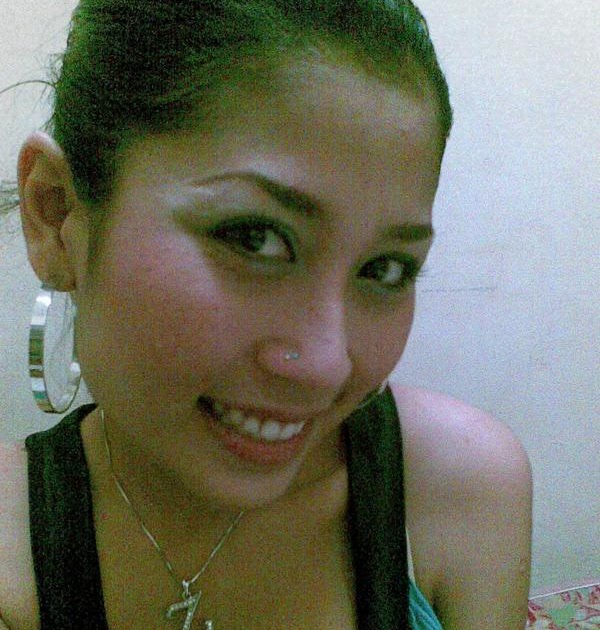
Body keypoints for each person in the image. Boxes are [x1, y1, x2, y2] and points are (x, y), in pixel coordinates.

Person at [0, 1, 533, 628]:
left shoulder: (460, 489)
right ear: (57, 214)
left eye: (385, 269)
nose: (327, 368)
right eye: (254, 238)